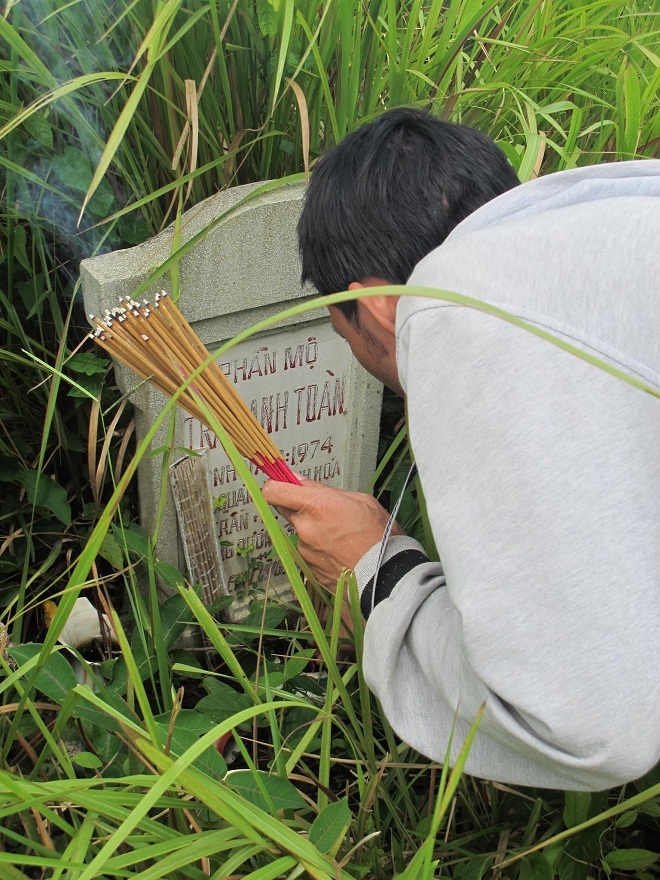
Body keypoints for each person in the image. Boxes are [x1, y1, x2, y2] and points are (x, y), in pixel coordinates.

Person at [262, 108, 660, 790]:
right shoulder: (613, 211)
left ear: (376, 307)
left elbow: (591, 730)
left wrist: (375, 571)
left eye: (343, 333)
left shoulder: (454, 309)